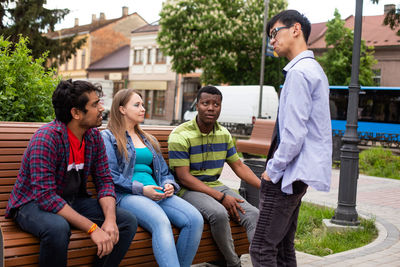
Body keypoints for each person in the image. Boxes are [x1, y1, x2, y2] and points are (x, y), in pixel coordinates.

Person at [5, 80, 138, 267]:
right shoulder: (46, 139)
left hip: (72, 200)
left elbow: (105, 181)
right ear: (75, 113)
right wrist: (93, 228)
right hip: (31, 204)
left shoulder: (93, 137)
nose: (101, 108)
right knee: (58, 228)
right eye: (94, 104)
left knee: (126, 221)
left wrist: (110, 220)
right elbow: (46, 197)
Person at [249, 10, 332, 267]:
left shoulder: (298, 73)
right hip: (296, 175)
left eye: (274, 33)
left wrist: (272, 171)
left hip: (285, 175)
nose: (271, 41)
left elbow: (294, 135)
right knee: (283, 250)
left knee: (261, 249)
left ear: (295, 29)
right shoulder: (313, 69)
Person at [101, 89, 204, 267]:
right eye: (137, 105)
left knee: (195, 219)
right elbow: (111, 176)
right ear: (122, 109)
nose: (143, 109)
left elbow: (164, 173)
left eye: (142, 104)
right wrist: (142, 190)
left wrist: (168, 184)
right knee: (161, 221)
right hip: (127, 195)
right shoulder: (108, 137)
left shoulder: (148, 139)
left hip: (156, 192)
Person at [168, 86, 261, 267]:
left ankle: (261, 262)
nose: (211, 108)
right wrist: (221, 197)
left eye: (216, 104)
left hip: (215, 185)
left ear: (220, 107)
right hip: (188, 190)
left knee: (253, 214)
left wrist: (264, 186)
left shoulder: (223, 134)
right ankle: (233, 263)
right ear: (197, 106)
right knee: (219, 213)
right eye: (206, 103)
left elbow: (239, 166)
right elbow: (184, 178)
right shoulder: (180, 135)